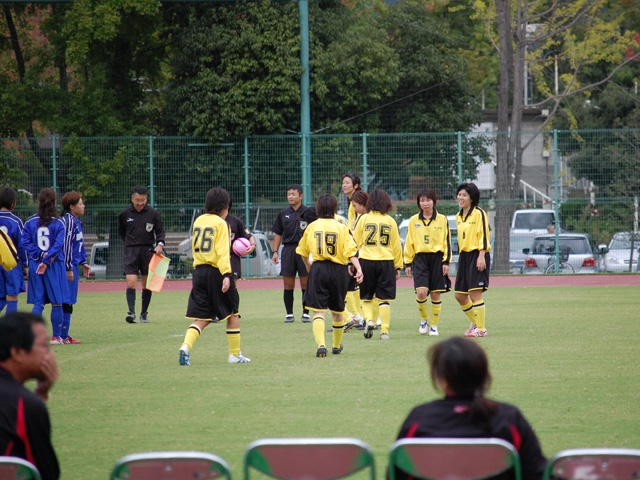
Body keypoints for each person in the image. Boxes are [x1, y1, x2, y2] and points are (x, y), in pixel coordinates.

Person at [393, 337, 546, 480]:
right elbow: (536, 474)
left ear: (442, 379)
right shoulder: (509, 418)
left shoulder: (420, 419)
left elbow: (396, 474)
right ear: (485, 374)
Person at [178, 187, 251, 365]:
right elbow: (222, 252)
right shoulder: (221, 224)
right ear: (224, 206)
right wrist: (227, 275)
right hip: (216, 272)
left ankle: (186, 346)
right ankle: (234, 355)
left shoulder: (198, 221)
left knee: (202, 317)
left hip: (199, 272)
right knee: (233, 313)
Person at [296, 194, 363, 357]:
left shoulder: (312, 227)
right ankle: (336, 345)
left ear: (318, 209)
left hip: (318, 269)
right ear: (334, 209)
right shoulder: (341, 226)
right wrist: (359, 269)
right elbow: (350, 251)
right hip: (338, 271)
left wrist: (307, 264)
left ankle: (321, 345)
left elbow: (303, 251)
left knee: (318, 312)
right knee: (338, 311)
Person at [0, 312, 60, 480]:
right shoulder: (24, 405)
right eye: (44, 346)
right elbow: (46, 473)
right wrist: (39, 398)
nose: (49, 354)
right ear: (18, 352)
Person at [352, 188, 403, 340]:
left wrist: (352, 262)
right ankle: (385, 331)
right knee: (384, 299)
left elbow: (354, 242)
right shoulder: (390, 221)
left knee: (367, 297)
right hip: (386, 261)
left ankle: (369, 321)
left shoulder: (363, 219)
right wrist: (398, 266)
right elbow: (396, 246)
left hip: (366, 260)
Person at [22, 188, 70, 345]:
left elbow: (25, 241)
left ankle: (33, 338)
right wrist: (47, 259)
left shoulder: (30, 222)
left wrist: (39, 255)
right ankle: (56, 337)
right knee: (57, 302)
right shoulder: (59, 222)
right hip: (54, 265)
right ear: (54, 202)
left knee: (39, 302)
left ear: (38, 202)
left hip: (36, 264)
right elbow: (58, 244)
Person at [403, 188, 452, 337]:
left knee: (436, 294)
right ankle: (424, 320)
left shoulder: (442, 219)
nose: (425, 203)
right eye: (422, 200)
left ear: (434, 201)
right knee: (421, 292)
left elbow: (447, 242)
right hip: (420, 260)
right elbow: (409, 242)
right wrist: (408, 263)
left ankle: (434, 326)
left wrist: (446, 261)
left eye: (428, 200)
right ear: (419, 203)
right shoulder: (413, 220)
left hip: (437, 259)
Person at [117, 186, 165, 324]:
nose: (140, 203)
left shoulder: (153, 213)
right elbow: (122, 232)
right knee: (131, 281)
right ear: (132, 199)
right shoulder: (125, 214)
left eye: (143, 200)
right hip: (131, 251)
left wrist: (160, 244)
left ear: (146, 199)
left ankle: (144, 314)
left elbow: (160, 231)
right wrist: (129, 243)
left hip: (148, 251)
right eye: (137, 200)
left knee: (146, 284)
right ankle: (131, 313)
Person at [454, 182, 491, 337]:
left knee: (475, 294)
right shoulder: (458, 216)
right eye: (459, 194)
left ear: (472, 198)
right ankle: (476, 322)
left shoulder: (479, 213)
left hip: (477, 254)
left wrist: (481, 255)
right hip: (464, 256)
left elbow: (483, 234)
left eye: (464, 195)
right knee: (460, 295)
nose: (460, 198)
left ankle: (481, 329)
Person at [271, 184, 310, 323]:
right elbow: (278, 233)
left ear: (301, 196)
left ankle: (306, 313)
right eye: (289, 194)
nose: (290, 197)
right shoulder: (283, 214)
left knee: (306, 283)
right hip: (287, 250)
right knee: (288, 284)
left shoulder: (308, 213)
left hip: (304, 250)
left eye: (293, 194)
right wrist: (275, 251)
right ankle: (289, 313)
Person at [60, 192, 92, 344]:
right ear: (72, 207)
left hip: (73, 264)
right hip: (67, 265)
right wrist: (68, 267)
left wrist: (83, 261)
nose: (83, 205)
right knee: (65, 300)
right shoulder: (68, 222)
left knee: (69, 300)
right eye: (80, 203)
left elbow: (77, 244)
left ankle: (64, 335)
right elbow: (65, 246)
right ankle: (61, 335)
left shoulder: (75, 221)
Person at [341, 174, 365, 328]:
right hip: (354, 245)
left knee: (357, 282)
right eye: (343, 183)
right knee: (354, 283)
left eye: (347, 183)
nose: (344, 185)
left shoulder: (359, 203)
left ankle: (363, 317)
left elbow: (360, 225)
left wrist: (356, 247)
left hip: (360, 246)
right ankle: (358, 316)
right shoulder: (351, 203)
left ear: (355, 185)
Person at [0, 188, 27, 315]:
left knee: (1, 296)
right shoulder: (16, 221)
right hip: (11, 264)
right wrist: (26, 265)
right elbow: (22, 245)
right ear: (12, 203)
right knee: (12, 297)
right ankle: (10, 331)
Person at [226, 198, 256, 283]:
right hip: (218, 257)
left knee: (232, 287)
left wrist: (253, 245)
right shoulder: (214, 221)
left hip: (233, 257)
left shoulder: (235, 221)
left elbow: (249, 235)